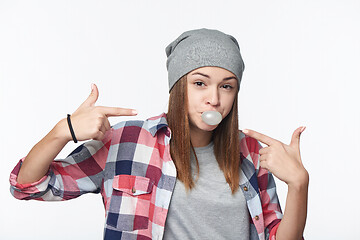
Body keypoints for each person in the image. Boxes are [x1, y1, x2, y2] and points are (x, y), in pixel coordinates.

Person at [9, 28, 308, 240]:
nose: (214, 99)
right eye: (200, 83)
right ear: (178, 87)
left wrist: (299, 185)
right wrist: (64, 130)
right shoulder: (125, 142)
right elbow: (28, 186)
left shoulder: (254, 153)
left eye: (227, 86)